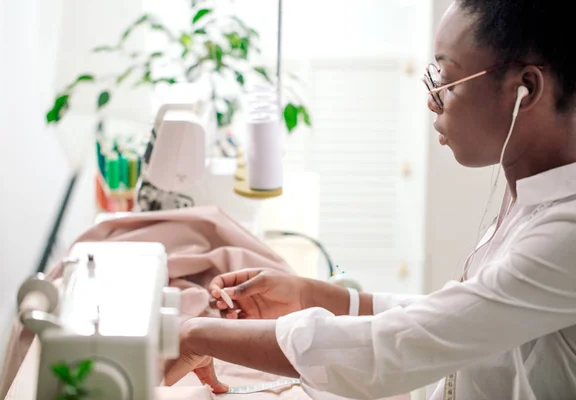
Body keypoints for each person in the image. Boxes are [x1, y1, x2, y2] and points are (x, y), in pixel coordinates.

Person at [164, 1, 576, 399]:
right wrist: (314, 296)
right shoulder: (533, 201)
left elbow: (400, 346)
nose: (433, 99)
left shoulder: (565, 232)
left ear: (526, 89)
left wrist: (193, 333)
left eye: (446, 80)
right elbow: (458, 318)